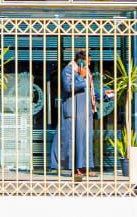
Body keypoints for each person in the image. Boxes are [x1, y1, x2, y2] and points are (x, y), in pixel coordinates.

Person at [48, 49, 114, 181]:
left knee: (86, 139)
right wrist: (81, 76)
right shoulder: (68, 70)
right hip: (74, 111)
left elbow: (88, 90)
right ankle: (76, 169)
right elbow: (68, 87)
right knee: (74, 140)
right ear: (80, 61)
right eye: (87, 61)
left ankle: (85, 167)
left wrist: (103, 93)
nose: (89, 64)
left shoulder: (86, 72)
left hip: (85, 111)